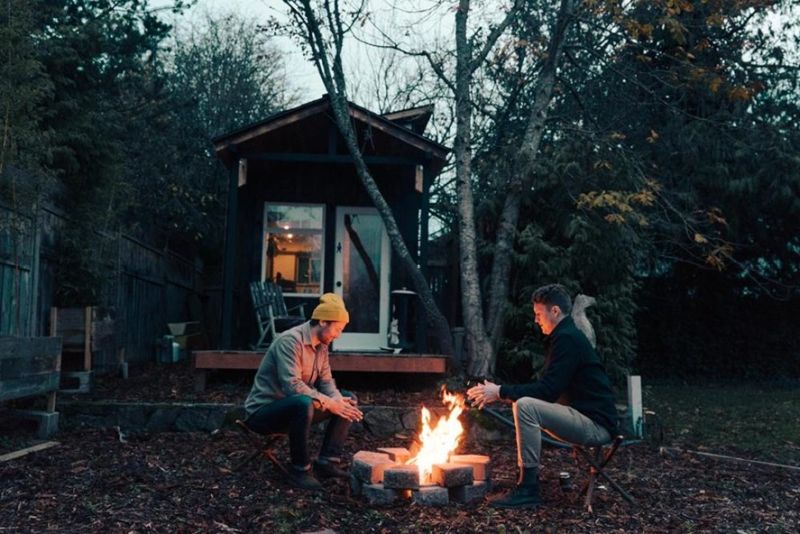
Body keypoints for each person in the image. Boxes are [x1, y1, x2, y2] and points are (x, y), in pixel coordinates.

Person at [467, 284, 618, 509]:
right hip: (586, 417)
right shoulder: (566, 336)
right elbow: (550, 390)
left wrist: (499, 392)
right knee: (525, 403)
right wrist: (501, 392)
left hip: (596, 425)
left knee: (526, 406)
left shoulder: (567, 339)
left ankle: (528, 489)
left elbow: (547, 391)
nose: (536, 320)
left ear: (554, 311)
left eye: (539, 314)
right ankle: (526, 484)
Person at [243, 293, 363, 491]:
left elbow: (326, 381)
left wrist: (337, 400)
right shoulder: (290, 341)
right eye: (338, 329)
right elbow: (292, 386)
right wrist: (330, 403)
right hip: (263, 413)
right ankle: (300, 470)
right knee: (302, 402)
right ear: (323, 321)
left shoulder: (322, 346)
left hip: (296, 408)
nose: (339, 335)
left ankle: (327, 462)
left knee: (347, 399)